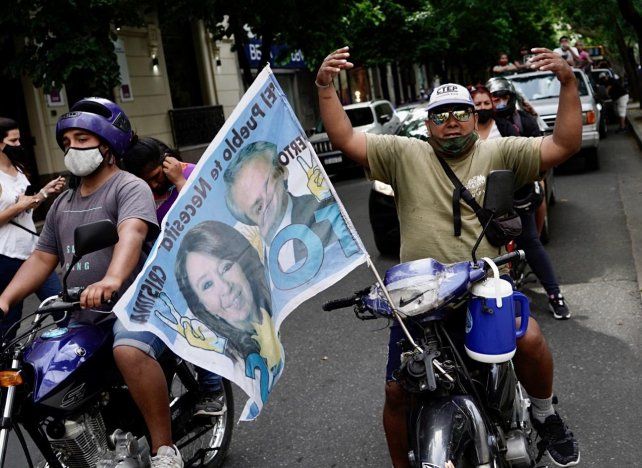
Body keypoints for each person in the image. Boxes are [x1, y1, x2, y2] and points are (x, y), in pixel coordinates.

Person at [316, 46, 581, 467]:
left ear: (475, 118)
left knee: (529, 337)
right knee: (396, 391)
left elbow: (565, 143)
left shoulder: (501, 151)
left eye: (460, 112)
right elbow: (345, 138)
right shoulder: (405, 153)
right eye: (440, 116)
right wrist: (326, 87)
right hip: (419, 295)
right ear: (428, 124)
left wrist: (568, 82)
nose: (451, 122)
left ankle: (546, 415)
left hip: (484, 282)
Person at [0, 98, 183, 467]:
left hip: (137, 304)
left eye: (82, 139)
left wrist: (112, 279)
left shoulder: (129, 187)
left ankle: (165, 451)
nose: (73, 148)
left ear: (108, 144)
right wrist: (4, 299)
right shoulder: (63, 203)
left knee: (128, 350)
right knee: (39, 368)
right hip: (83, 312)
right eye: (67, 141)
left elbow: (131, 233)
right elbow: (41, 258)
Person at [122, 137, 225, 418]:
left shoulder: (188, 173)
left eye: (156, 176)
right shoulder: (136, 193)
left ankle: (212, 388)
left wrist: (179, 180)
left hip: (197, 263)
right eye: (146, 181)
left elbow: (210, 215)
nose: (154, 185)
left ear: (166, 160)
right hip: (155, 273)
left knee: (192, 314)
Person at [472, 85, 571, 320]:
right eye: (479, 104)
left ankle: (555, 295)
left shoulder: (507, 129)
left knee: (530, 242)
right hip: (477, 206)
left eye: (488, 103)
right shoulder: (465, 135)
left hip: (515, 199)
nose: (485, 107)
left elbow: (526, 160)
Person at [174, 220, 282, 376]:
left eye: (225, 267)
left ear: (242, 263)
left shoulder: (282, 297)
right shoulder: (229, 363)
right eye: (207, 284)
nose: (225, 288)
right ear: (202, 306)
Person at [223, 140, 336, 272]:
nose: (267, 201)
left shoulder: (318, 208)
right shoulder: (255, 263)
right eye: (258, 207)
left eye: (266, 186)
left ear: (282, 171)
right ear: (248, 220)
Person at [0, 117, 65, 341]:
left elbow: (26, 207)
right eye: (13, 140)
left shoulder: (17, 169)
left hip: (34, 252)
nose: (19, 144)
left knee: (61, 307)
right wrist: (20, 205)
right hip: (7, 256)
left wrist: (44, 193)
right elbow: (18, 207)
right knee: (9, 323)